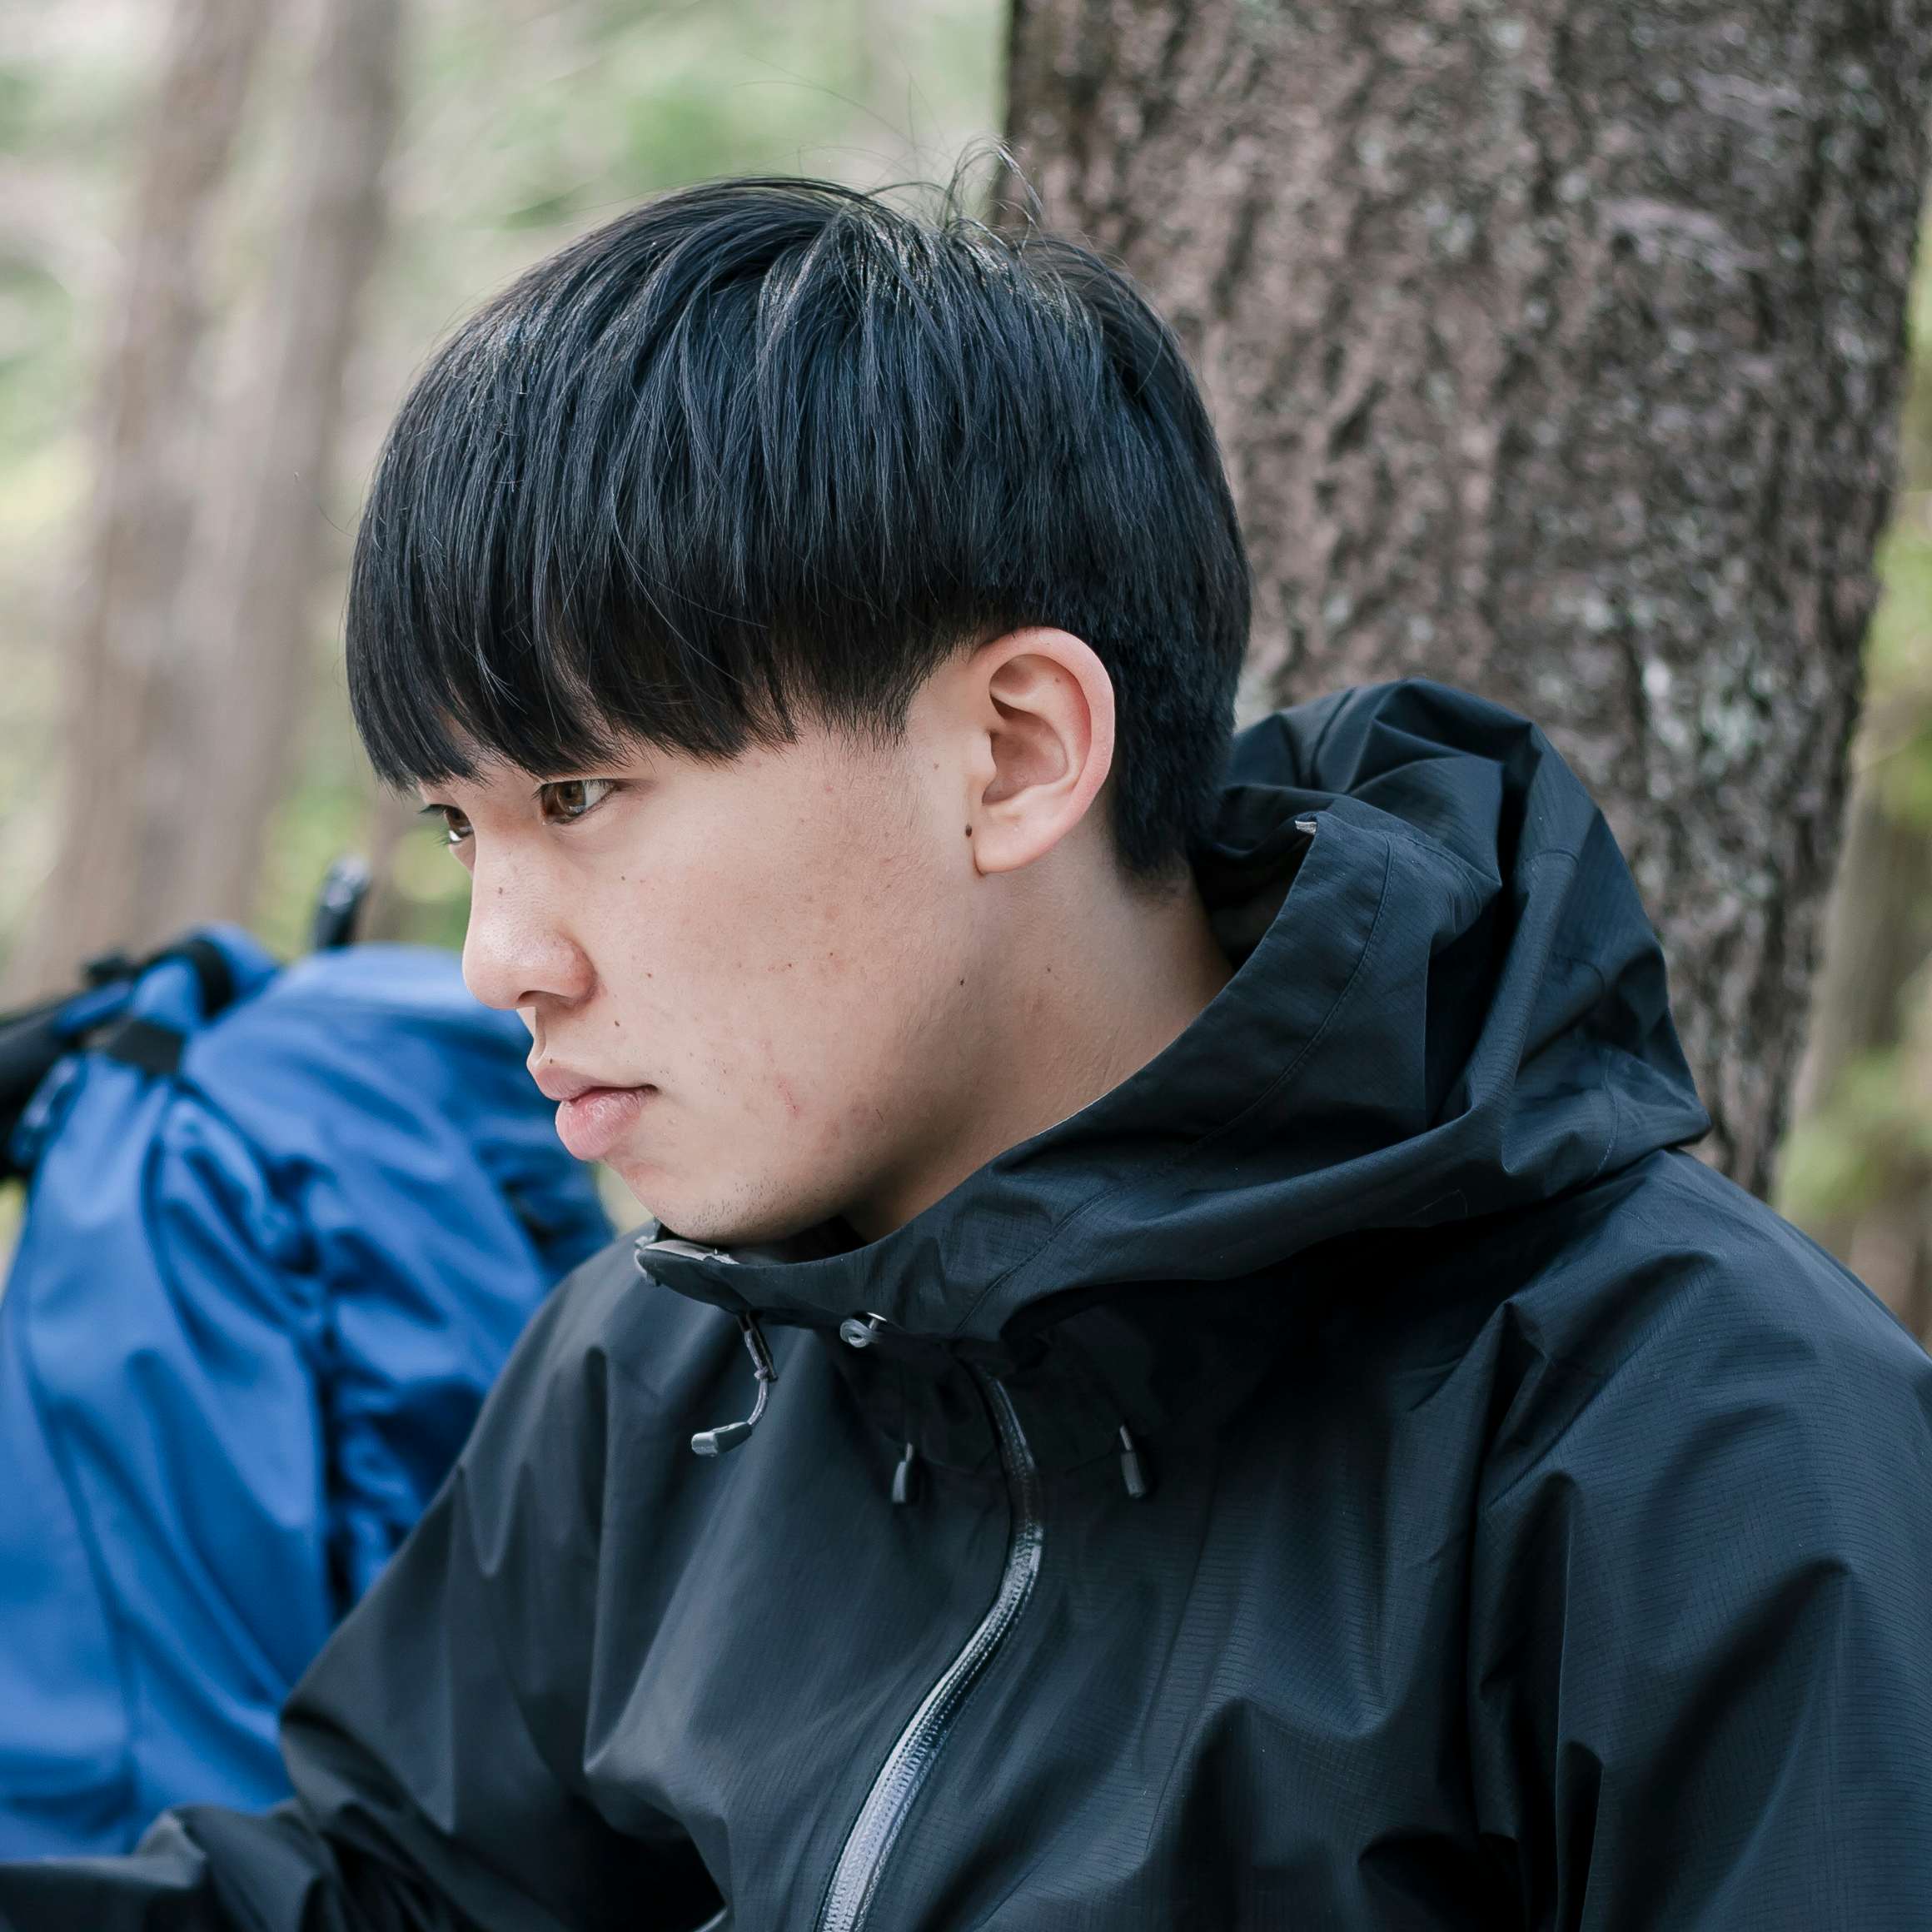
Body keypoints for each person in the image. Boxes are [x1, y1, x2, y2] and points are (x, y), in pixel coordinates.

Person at [4, 173, 1928, 1932]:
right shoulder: (656, 1364)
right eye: (457, 827)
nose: (497, 955)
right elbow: (393, 1898)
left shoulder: (1700, 1445)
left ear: (1011, 752)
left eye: (579, 792)